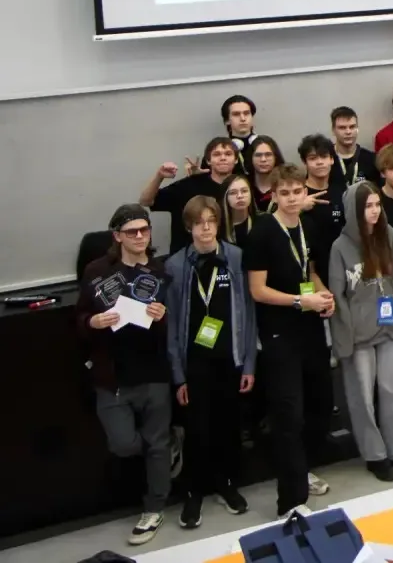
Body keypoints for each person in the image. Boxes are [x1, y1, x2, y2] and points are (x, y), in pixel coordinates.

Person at [77, 205, 172, 546]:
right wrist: (93, 322)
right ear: (117, 236)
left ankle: (154, 508)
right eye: (132, 231)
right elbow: (79, 319)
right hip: (113, 376)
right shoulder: (96, 271)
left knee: (158, 445)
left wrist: (162, 317)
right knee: (124, 444)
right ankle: (165, 449)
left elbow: (175, 327)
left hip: (154, 372)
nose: (140, 236)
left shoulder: (161, 270)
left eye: (145, 230)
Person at [245, 164, 336, 517]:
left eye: (297, 192)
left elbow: (309, 271)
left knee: (321, 405)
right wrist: (301, 301)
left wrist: (324, 296)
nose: (292, 198)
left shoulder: (307, 226)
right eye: (284, 193)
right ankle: (291, 501)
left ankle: (303, 470)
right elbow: (257, 290)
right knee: (289, 416)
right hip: (279, 333)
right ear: (274, 195)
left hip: (310, 327)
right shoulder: (262, 232)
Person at [165, 196, 255, 528]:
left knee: (228, 426)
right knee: (197, 430)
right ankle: (194, 492)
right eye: (198, 223)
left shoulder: (236, 257)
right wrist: (179, 376)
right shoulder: (176, 265)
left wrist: (249, 364)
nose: (205, 228)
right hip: (195, 362)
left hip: (230, 358)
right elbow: (172, 325)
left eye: (211, 221)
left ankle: (227, 484)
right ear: (188, 227)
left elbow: (249, 313)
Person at [328, 182, 393, 482]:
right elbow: (338, 296)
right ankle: (375, 455)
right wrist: (344, 340)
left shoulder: (390, 236)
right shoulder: (340, 247)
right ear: (354, 210)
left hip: (391, 327)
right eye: (367, 206)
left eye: (377, 205)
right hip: (358, 335)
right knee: (363, 399)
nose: (374, 211)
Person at [142, 137, 238, 253]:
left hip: (225, 256)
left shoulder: (241, 189)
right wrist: (159, 176)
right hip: (185, 257)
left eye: (228, 154)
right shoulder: (189, 185)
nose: (223, 158)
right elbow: (146, 201)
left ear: (236, 159)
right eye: (217, 154)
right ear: (208, 161)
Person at [298, 134, 345, 286]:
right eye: (312, 158)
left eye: (324, 157)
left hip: (338, 266)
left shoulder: (341, 192)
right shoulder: (296, 193)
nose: (319, 162)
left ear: (332, 159)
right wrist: (298, 208)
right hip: (305, 269)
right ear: (305, 162)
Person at [330, 107, 379, 188]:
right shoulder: (325, 158)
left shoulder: (372, 159)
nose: (348, 132)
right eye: (342, 128)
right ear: (333, 130)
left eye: (352, 127)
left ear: (357, 128)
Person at [220, 95, 259, 174]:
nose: (243, 119)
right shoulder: (218, 150)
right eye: (236, 114)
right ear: (227, 121)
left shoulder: (267, 145)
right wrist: (197, 177)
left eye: (246, 113)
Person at [247, 136, 285, 214]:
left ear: (275, 157)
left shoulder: (285, 184)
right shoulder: (243, 184)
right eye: (258, 155)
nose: (263, 159)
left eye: (268, 155)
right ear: (251, 158)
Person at [220, 175, 256, 249]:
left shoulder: (263, 222)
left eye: (244, 191)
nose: (240, 196)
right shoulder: (219, 227)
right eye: (233, 193)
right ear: (225, 198)